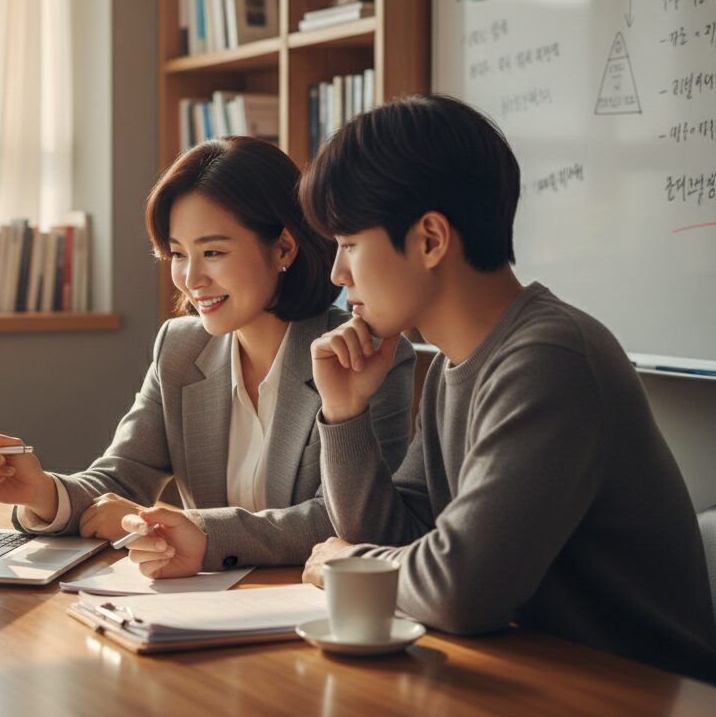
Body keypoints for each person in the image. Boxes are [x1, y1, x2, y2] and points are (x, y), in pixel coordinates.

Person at [288, 94, 715, 682]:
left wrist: (346, 565)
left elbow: (460, 589)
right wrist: (344, 413)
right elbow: (396, 538)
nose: (338, 274)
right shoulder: (453, 368)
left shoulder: (550, 360)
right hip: (539, 679)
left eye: (350, 244)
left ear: (430, 239)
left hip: (644, 702)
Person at [0, 136, 415, 573]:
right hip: (201, 605)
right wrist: (43, 492)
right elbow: (122, 477)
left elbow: (347, 521)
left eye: (213, 252)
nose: (191, 278)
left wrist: (196, 531)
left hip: (314, 603)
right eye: (178, 254)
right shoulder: (180, 347)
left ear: (283, 247)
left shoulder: (362, 356)